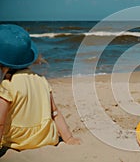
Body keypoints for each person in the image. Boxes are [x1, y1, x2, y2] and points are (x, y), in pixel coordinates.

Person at [0, 24, 80, 153]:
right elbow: (55, 113)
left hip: (19, 140)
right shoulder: (42, 81)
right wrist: (68, 138)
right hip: (45, 138)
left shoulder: (7, 86)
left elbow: (0, 122)